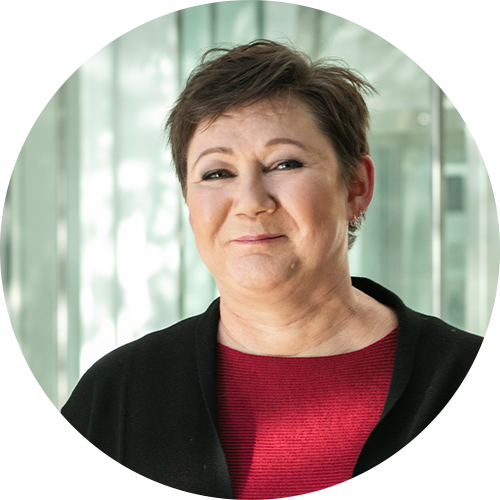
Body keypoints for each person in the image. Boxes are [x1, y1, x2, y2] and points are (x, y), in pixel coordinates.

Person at [61, 40, 484, 499]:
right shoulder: (117, 394)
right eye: (216, 173)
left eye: (285, 164)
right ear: (189, 204)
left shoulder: (457, 374)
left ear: (356, 188)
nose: (250, 202)